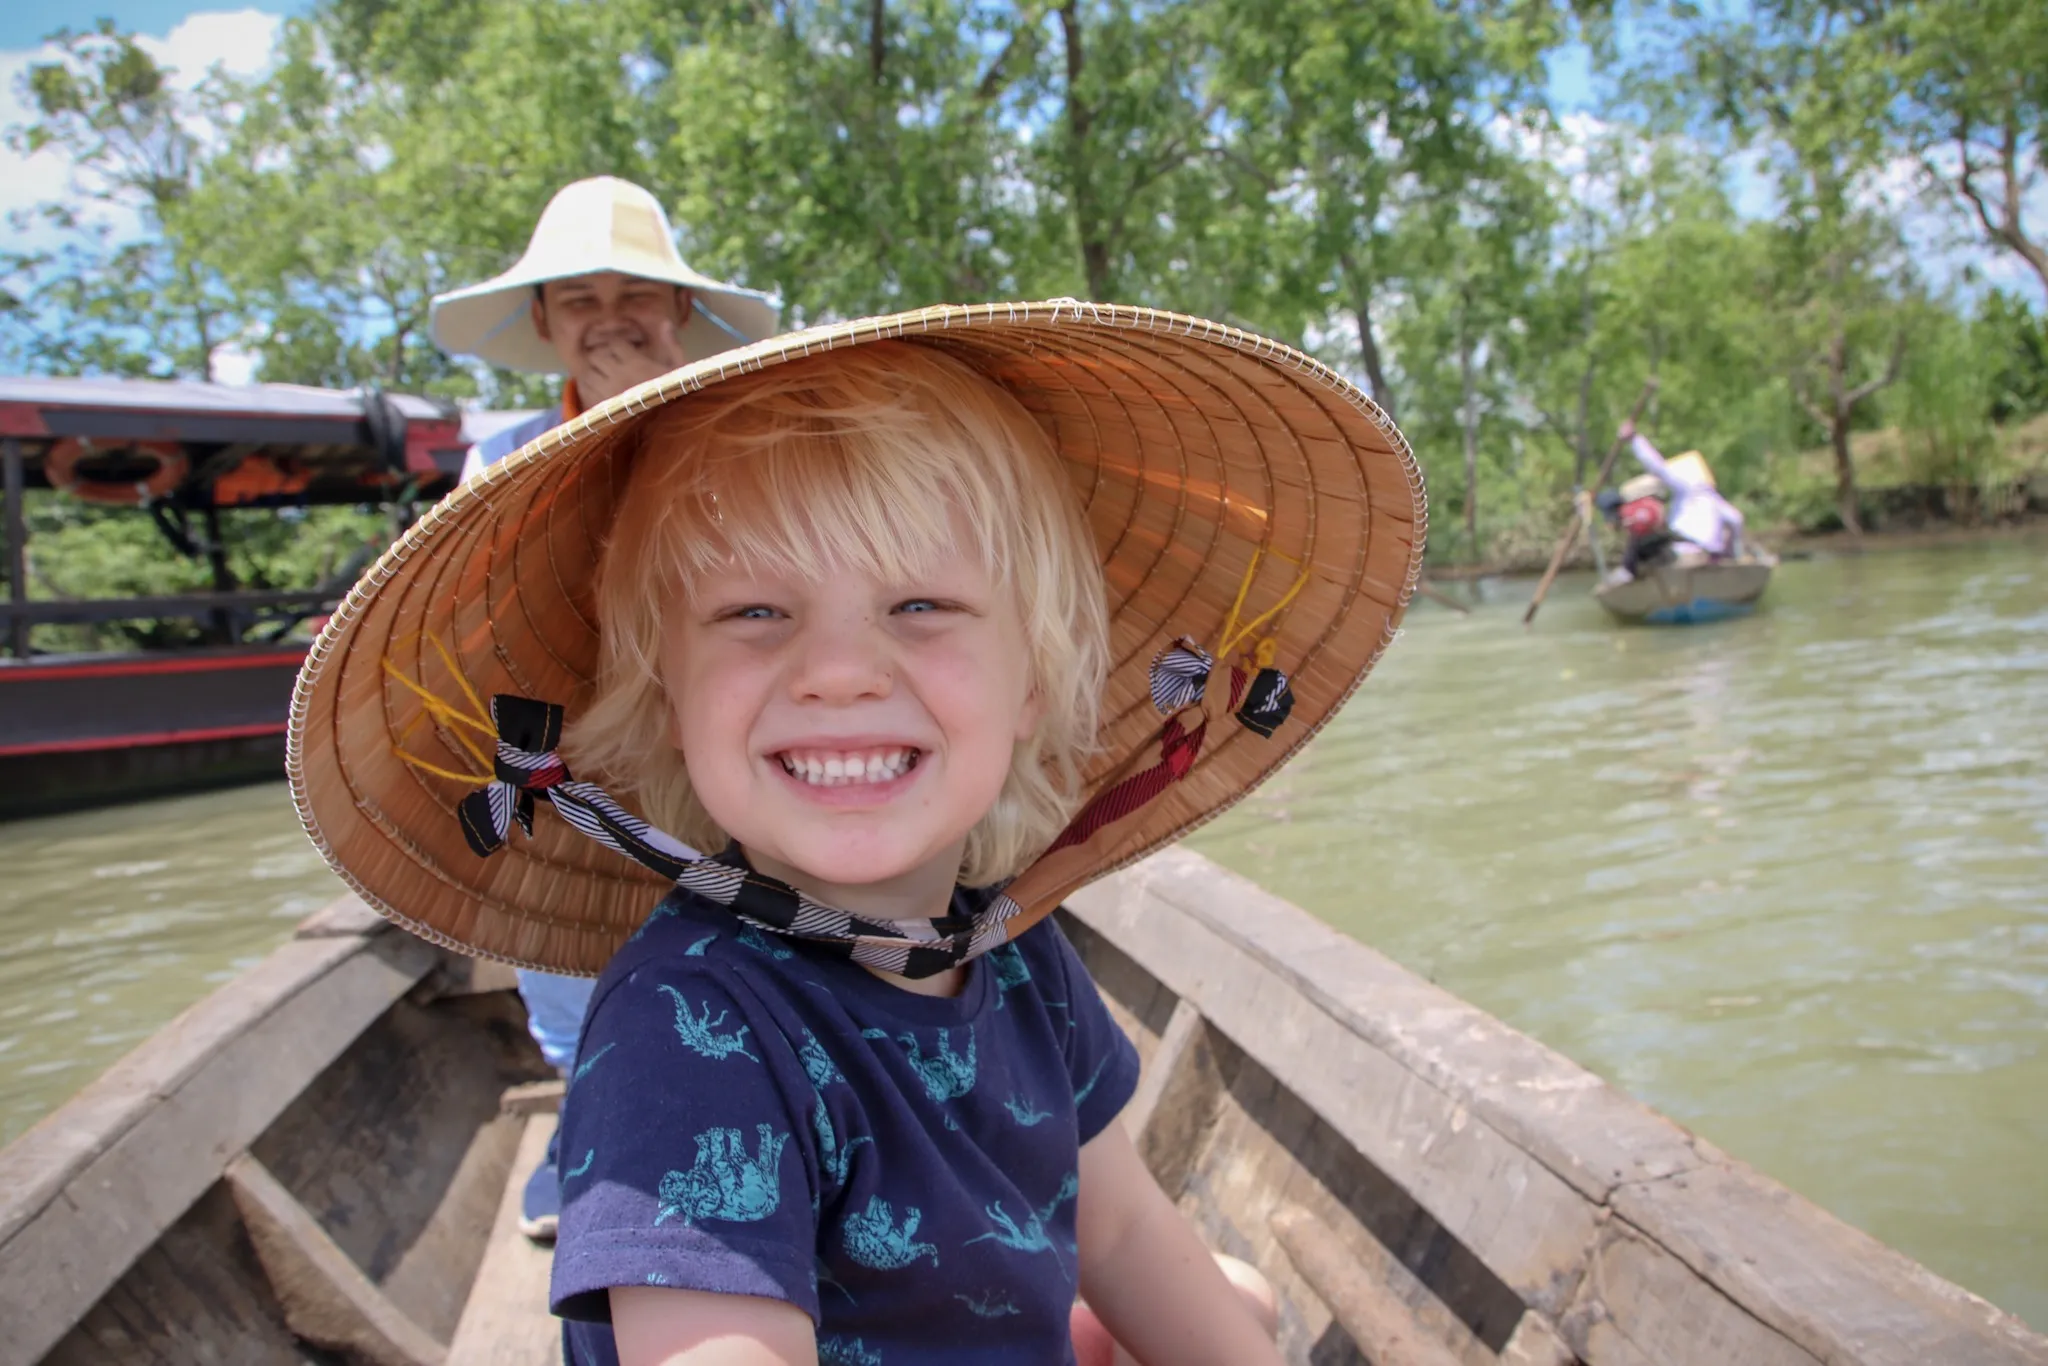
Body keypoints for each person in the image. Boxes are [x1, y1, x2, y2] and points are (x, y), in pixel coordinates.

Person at [290, 301, 1426, 1364]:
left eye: (918, 605)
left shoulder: (1009, 941)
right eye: (753, 614)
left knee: (1237, 1299)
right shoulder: (687, 1033)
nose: (836, 672)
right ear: (670, 706)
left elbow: (1119, 1231)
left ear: (1030, 685)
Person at [428, 174, 780, 1239]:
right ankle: (593, 1123)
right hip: (569, 756)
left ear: (679, 313)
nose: (610, 317)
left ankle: (758, 1124)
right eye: (578, 298)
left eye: (637, 293)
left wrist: (669, 414)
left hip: (718, 742)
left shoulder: (750, 426)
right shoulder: (496, 460)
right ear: (543, 321)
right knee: (567, 978)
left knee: (752, 965)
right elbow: (473, 624)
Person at [1618, 419, 1747, 563]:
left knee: (1642, 547)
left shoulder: (1685, 487)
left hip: (1682, 552)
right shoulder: (1714, 499)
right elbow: (1736, 519)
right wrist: (1731, 551)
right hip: (1707, 555)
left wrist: (1635, 439)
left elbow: (1657, 466)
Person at [1596, 474, 1681, 580]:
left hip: (1656, 537)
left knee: (1635, 544)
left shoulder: (1630, 511)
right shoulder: (1640, 505)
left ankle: (1628, 571)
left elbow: (1645, 523)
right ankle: (1636, 568)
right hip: (1659, 538)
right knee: (1637, 544)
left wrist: (1629, 522)